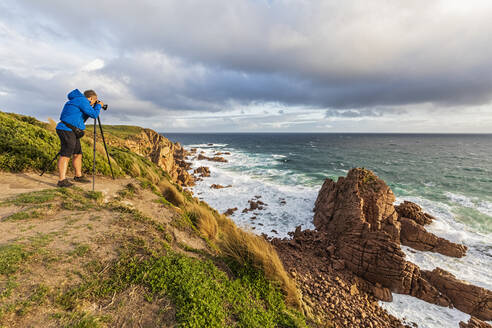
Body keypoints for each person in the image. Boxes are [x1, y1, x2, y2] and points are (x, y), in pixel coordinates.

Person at [55, 89, 104, 187]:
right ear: (91, 98)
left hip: (71, 131)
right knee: (65, 154)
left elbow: (81, 117)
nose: (94, 103)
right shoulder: (82, 101)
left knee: (78, 153)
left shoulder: (78, 101)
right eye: (95, 101)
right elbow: (94, 114)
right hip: (66, 130)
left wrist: (94, 106)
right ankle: (62, 180)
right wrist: (99, 106)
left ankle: (78, 176)